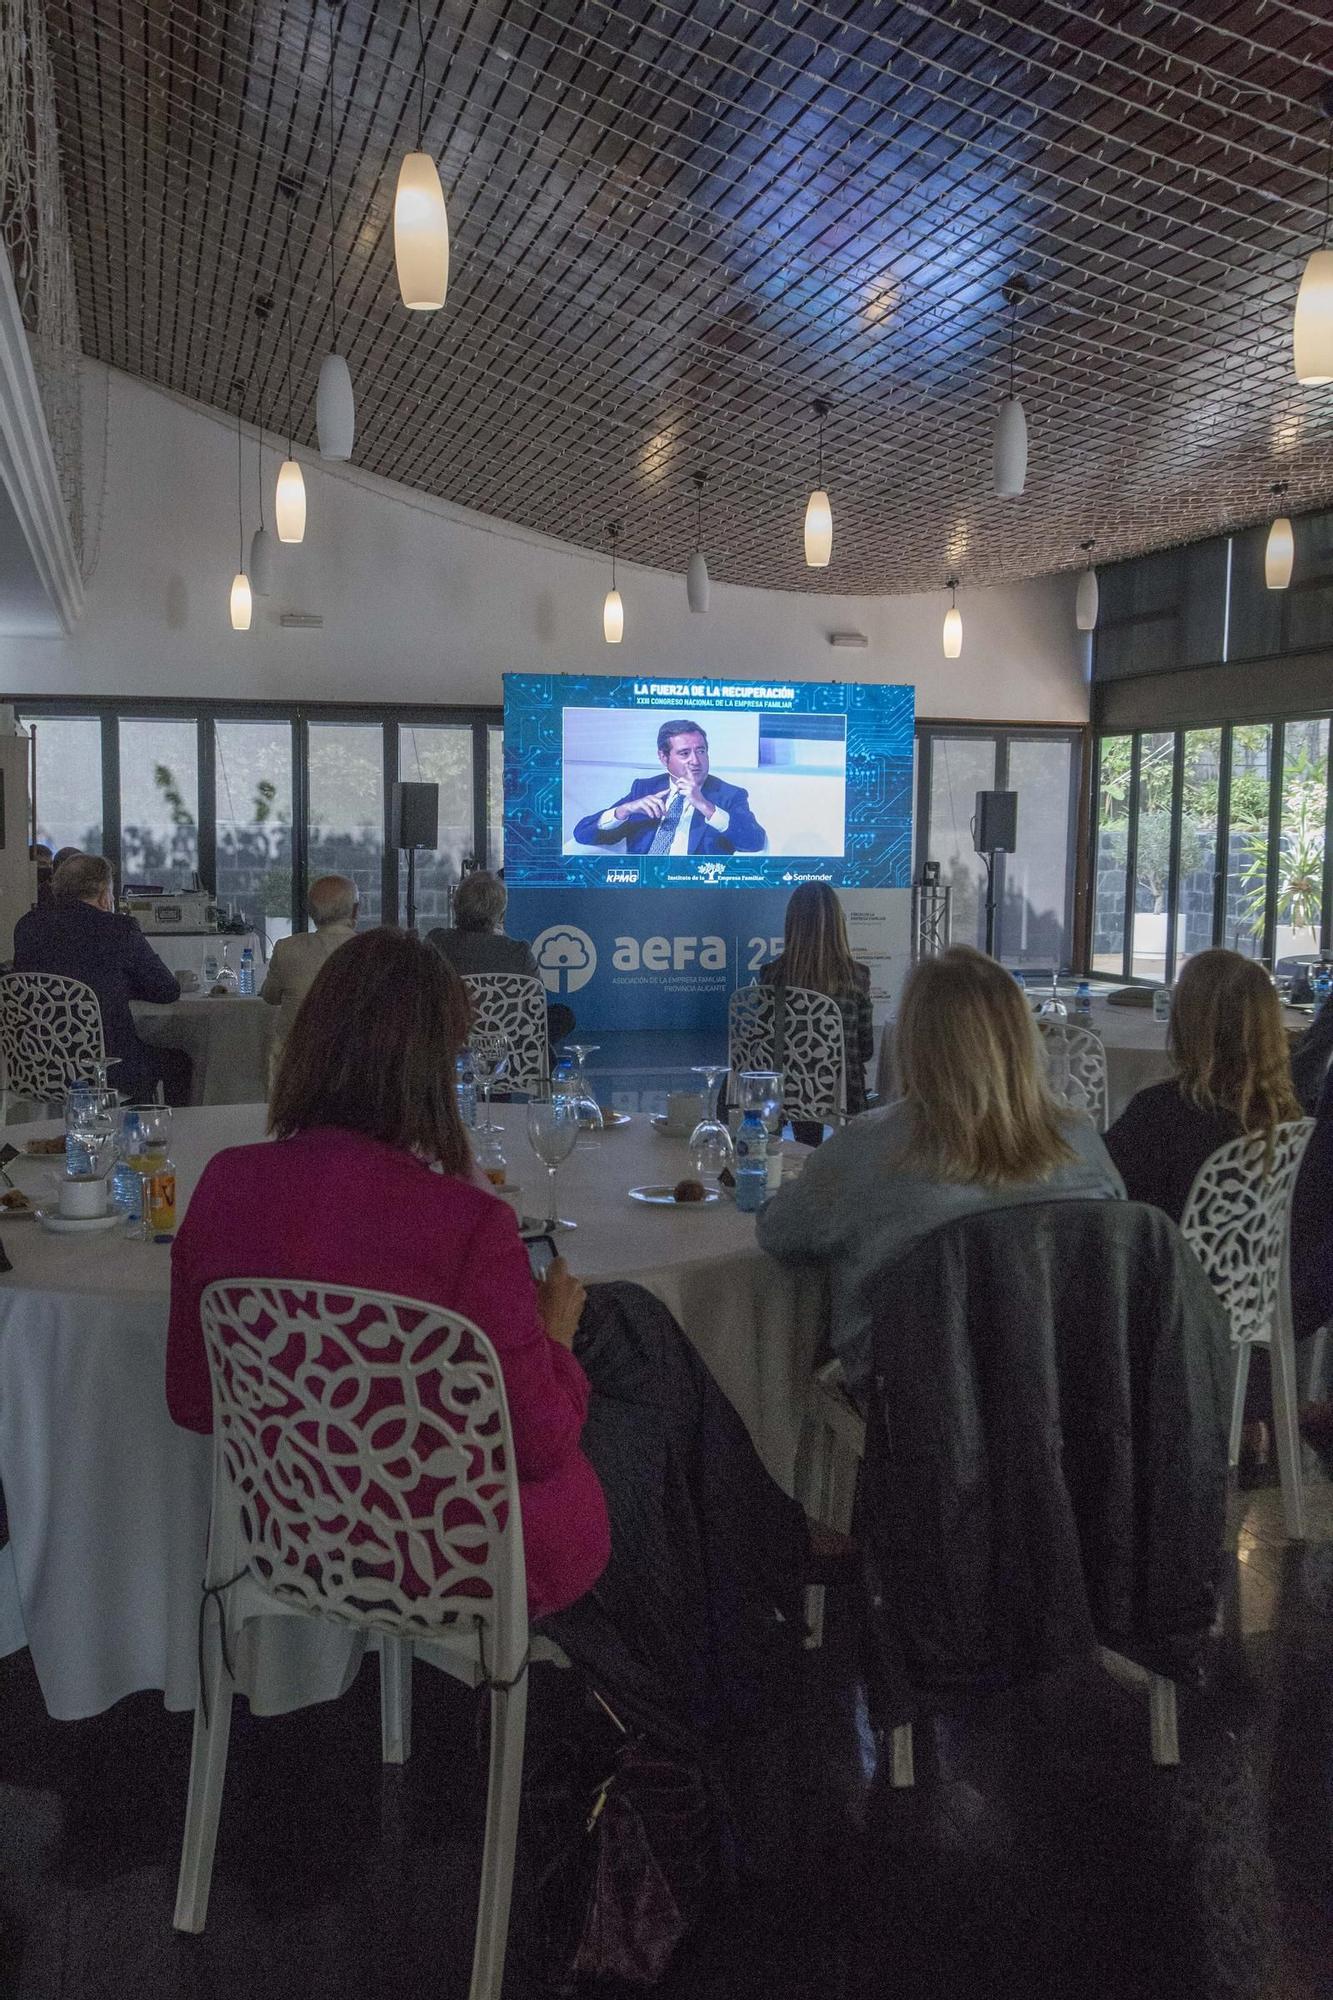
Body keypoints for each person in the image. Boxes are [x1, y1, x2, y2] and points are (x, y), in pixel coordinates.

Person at [167, 931, 807, 1796]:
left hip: (292, 1534)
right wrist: (549, 1337)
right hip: (464, 1547)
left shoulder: (225, 1186)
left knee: (633, 1324)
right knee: (650, 1421)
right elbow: (540, 1445)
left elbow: (195, 1401)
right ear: (439, 1065)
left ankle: (745, 1583)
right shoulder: (464, 1225)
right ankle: (706, 1666)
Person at [758, 944, 1124, 1395]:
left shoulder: (867, 1149)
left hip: (916, 1402)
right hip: (1067, 1391)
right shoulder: (1084, 1144)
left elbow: (779, 1234)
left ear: (915, 1040)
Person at [1104, 948, 1320, 1473]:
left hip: (1171, 1312)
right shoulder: (1285, 1120)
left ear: (1189, 1022)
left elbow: (1107, 1196)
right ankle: (1248, 1414)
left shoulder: (1161, 1115)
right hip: (1252, 1305)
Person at [1104, 948, 1301, 1224]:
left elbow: (1104, 1190)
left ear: (1187, 1022)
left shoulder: (1160, 1113)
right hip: (1248, 1263)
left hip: (1172, 1262)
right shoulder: (1286, 1114)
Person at [12, 851, 190, 1102]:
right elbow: (167, 990)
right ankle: (146, 1134)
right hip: (106, 1066)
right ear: (104, 894)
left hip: (38, 1064)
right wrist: (123, 985)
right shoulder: (118, 929)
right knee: (179, 1063)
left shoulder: (26, 926)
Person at [760, 881, 874, 1139]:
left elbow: (763, 1046)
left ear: (792, 925)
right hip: (840, 1094)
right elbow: (865, 1050)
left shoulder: (771, 976)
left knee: (800, 1083)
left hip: (784, 1093)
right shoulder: (857, 978)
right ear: (839, 924)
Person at [572, 717, 765, 856]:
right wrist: (624, 810)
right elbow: (582, 834)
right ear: (664, 757)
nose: (695, 761)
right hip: (642, 886)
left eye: (701, 751)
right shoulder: (645, 788)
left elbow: (754, 842)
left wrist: (705, 805)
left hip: (696, 890)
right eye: (684, 753)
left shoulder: (728, 795)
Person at [428, 868, 575, 1041]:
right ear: (501, 915)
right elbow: (536, 1008)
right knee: (563, 1016)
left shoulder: (436, 942)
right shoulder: (518, 951)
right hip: (510, 1044)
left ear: (455, 906)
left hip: (450, 1040)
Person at [259, 874, 357, 1057]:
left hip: (296, 1054)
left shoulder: (287, 948)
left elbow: (270, 996)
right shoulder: (369, 951)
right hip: (351, 1055)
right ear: (355, 910)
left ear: (311, 912)